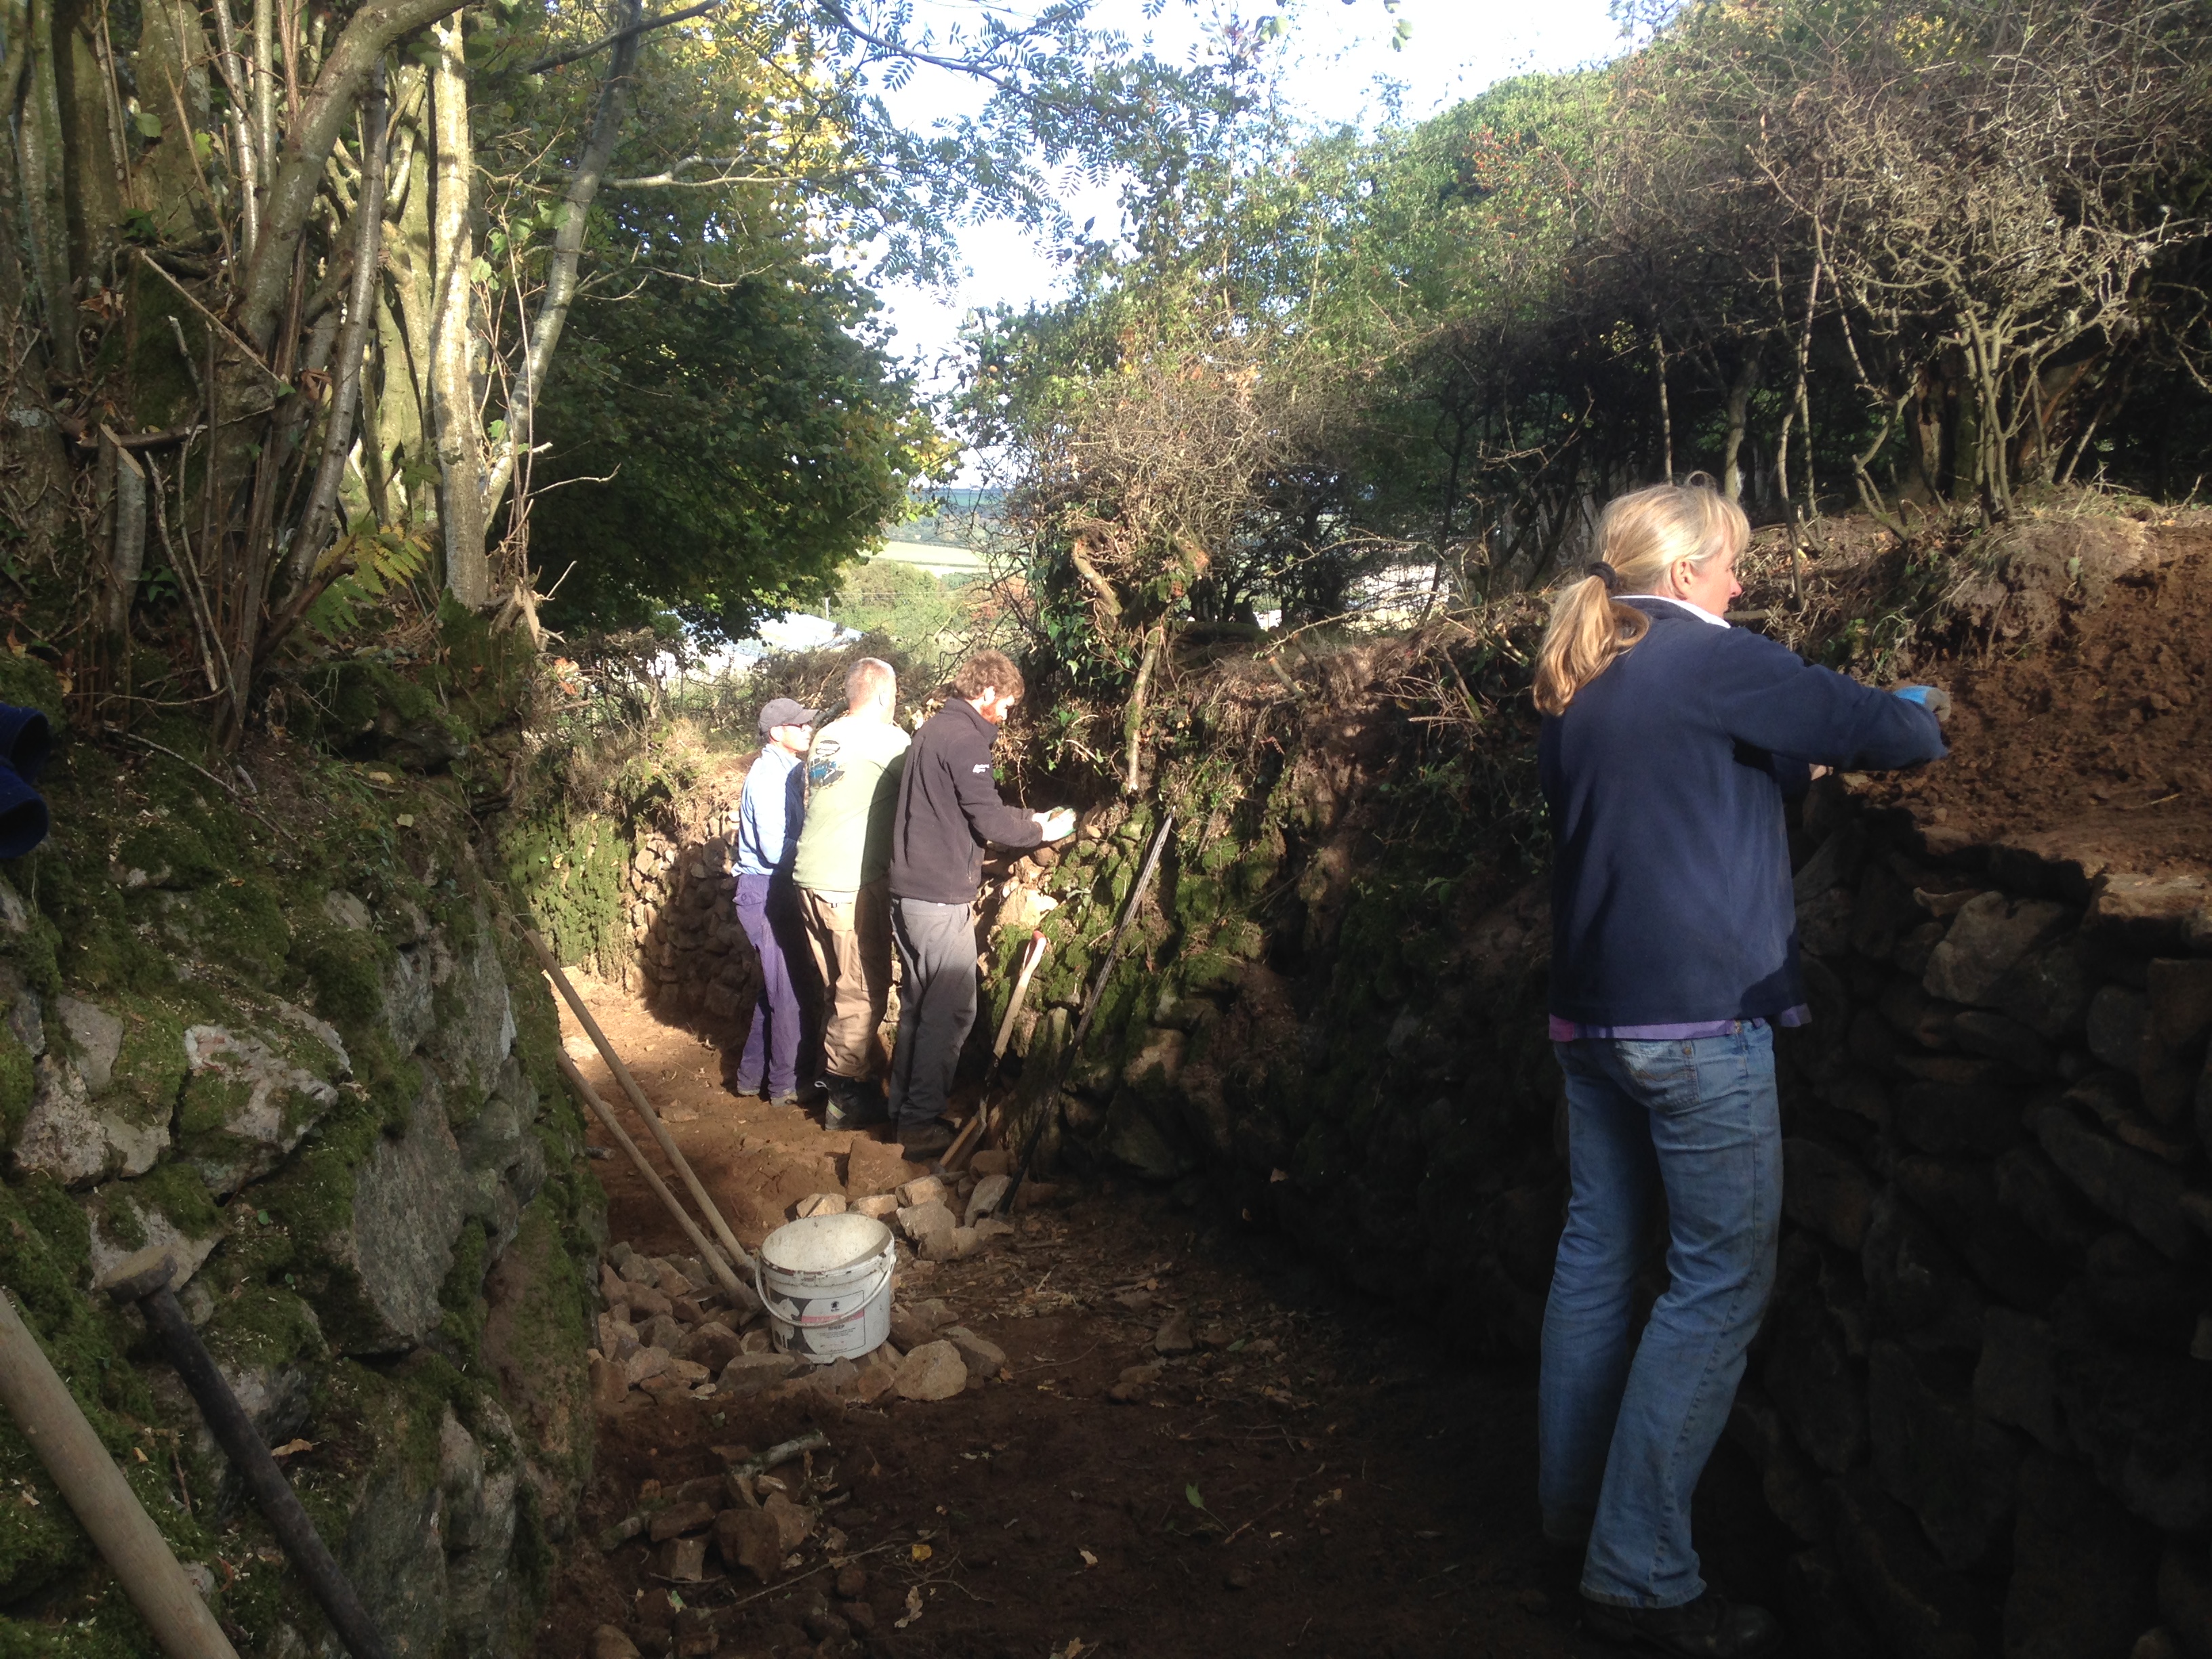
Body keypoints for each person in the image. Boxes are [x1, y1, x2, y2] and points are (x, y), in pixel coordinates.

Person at [1533, 479, 1948, 1658]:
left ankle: (1570, 1524)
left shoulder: (1582, 674)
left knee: (1595, 1262)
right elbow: (1884, 731)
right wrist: (1921, 708)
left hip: (1591, 1019)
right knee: (1715, 1285)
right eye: (1728, 562)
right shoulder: (1711, 658)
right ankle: (1637, 1576)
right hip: (1696, 1023)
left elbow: (1675, 792)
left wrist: (1786, 768)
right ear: (1681, 574)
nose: (1740, 580)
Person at [885, 649, 1076, 1158]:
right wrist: (1042, 830)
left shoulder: (932, 730)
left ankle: (902, 1112)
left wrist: (1031, 816)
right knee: (951, 1010)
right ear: (987, 692)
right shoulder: (966, 738)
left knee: (919, 1006)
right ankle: (919, 1125)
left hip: (910, 891)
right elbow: (989, 821)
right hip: (938, 896)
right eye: (1007, 703)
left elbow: (969, 806)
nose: (1007, 714)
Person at [792, 657, 909, 1130]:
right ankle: (846, 1097)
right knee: (863, 990)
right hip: (848, 884)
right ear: (883, 694)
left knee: (837, 985)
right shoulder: (888, 740)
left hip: (809, 877)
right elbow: (930, 789)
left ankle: (838, 1074)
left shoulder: (827, 735)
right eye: (895, 695)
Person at [730, 696, 817, 1105]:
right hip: (766, 890)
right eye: (799, 725)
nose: (807, 729)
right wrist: (818, 849)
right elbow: (772, 848)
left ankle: (750, 1076)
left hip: (770, 888)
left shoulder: (787, 770)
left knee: (774, 986)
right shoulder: (768, 777)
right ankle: (785, 1084)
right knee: (788, 988)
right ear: (777, 732)